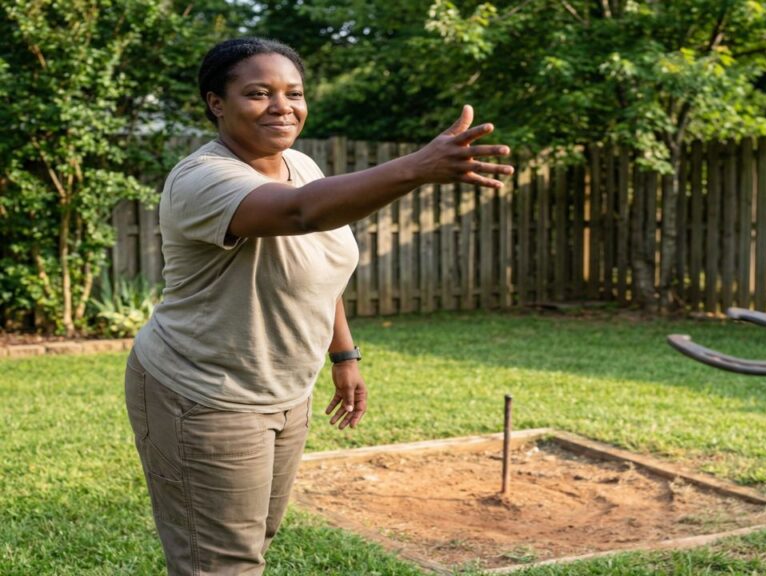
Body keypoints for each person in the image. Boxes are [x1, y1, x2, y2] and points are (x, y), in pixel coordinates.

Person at [124, 37, 513, 575]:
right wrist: (417, 166)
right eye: (259, 92)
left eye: (294, 93)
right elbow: (301, 215)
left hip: (286, 392)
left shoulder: (300, 165)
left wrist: (344, 356)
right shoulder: (202, 179)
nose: (282, 106)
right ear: (217, 102)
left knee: (255, 535)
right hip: (205, 394)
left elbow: (319, 265)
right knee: (219, 562)